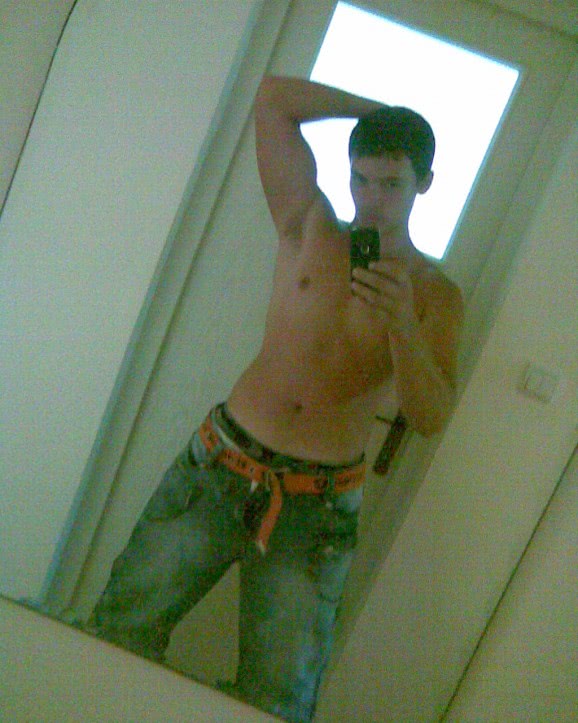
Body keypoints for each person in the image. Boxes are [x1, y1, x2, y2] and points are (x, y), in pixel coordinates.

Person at [88, 75, 463, 722]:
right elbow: (273, 99)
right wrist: (384, 113)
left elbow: (430, 418)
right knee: (118, 630)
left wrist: (402, 325)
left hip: (317, 507)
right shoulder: (308, 225)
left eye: (392, 184)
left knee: (278, 701)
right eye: (361, 179)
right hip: (219, 464)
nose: (371, 201)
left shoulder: (435, 294)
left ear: (424, 183)